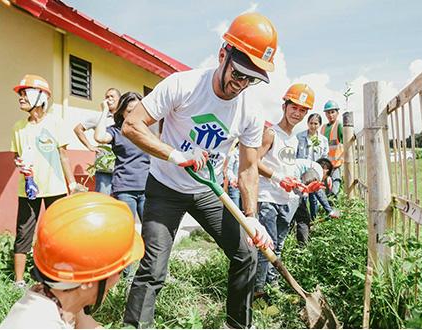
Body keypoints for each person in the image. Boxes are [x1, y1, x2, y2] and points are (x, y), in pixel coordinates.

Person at [121, 13, 276, 329]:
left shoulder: (250, 111)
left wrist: (251, 216)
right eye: (238, 72)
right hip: (165, 186)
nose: (241, 83)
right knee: (154, 267)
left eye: (251, 78)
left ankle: (238, 325)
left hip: (208, 190)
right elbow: (131, 124)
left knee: (246, 253)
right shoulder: (183, 85)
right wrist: (175, 155)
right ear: (223, 54)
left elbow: (248, 168)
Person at [0, 192, 144, 329]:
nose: (118, 277)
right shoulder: (39, 323)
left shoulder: (62, 299)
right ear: (88, 282)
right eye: (118, 269)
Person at [10, 74, 81, 288]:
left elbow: (64, 156)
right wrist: (18, 163)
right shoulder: (18, 127)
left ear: (41, 97)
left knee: (57, 232)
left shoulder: (56, 123)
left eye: (25, 93)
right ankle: (19, 281)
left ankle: (57, 275)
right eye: (19, 94)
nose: (20, 97)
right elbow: (15, 155)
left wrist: (72, 184)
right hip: (28, 189)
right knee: (23, 232)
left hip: (55, 188)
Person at [254, 83, 314, 295]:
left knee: (277, 247)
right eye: (294, 107)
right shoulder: (271, 133)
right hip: (268, 197)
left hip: (286, 199)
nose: (297, 113)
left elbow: (287, 167)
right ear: (284, 106)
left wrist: (299, 184)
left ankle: (274, 286)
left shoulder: (294, 139)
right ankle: (259, 292)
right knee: (266, 248)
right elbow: (254, 162)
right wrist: (279, 179)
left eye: (302, 110)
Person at [93, 92, 149, 225]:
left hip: (147, 188)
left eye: (137, 110)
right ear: (122, 112)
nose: (134, 114)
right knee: (127, 228)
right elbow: (99, 137)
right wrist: (105, 110)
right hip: (125, 189)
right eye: (130, 111)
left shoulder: (146, 130)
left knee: (151, 232)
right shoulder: (116, 131)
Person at [73, 88, 121, 195]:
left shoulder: (125, 118)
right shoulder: (99, 117)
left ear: (120, 99)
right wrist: (90, 146)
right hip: (104, 169)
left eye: (112, 96)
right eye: (107, 97)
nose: (109, 99)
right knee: (104, 201)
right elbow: (78, 129)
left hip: (122, 168)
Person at [296, 114, 338, 221]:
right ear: (307, 123)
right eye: (311, 123)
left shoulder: (323, 140)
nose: (313, 126)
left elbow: (324, 158)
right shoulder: (299, 137)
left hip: (316, 171)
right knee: (303, 196)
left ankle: (314, 220)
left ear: (319, 125)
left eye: (316, 124)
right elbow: (296, 154)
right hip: (303, 170)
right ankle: (304, 219)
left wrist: (326, 174)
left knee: (314, 197)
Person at [290, 158, 339, 245]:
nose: (322, 180)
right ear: (325, 170)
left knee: (291, 215)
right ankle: (303, 248)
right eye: (325, 178)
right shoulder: (318, 170)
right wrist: (330, 211)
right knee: (303, 219)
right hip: (291, 188)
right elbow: (317, 190)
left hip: (285, 183)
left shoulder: (308, 164)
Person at [321, 100, 344, 196]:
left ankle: (336, 207)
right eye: (328, 112)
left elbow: (344, 142)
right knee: (326, 189)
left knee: (335, 187)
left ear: (337, 113)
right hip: (325, 165)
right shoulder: (323, 127)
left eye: (332, 112)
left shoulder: (339, 125)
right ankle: (328, 208)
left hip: (335, 164)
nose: (330, 115)